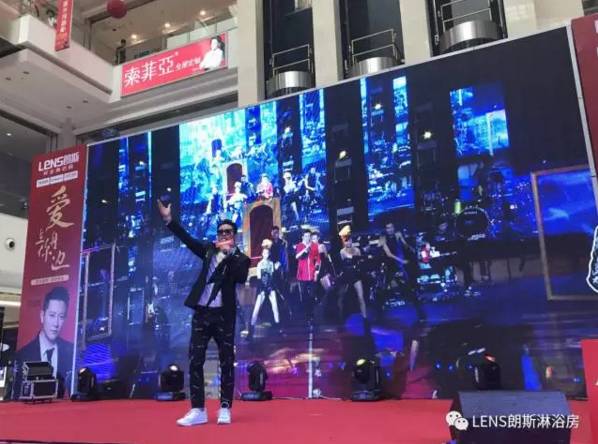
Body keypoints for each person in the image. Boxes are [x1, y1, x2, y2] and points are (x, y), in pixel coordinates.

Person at [157, 199, 250, 426]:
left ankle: (225, 407)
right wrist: (169, 221)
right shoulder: (208, 250)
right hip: (202, 314)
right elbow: (188, 239)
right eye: (221, 232)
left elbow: (240, 277)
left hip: (224, 317)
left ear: (234, 236)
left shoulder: (241, 259)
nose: (223, 235)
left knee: (226, 361)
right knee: (195, 360)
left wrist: (229, 255)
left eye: (228, 232)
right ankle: (198, 409)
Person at [15, 287, 74, 398]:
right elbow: (15, 395)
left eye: (61, 317)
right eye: (52, 315)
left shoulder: (72, 352)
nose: (56, 323)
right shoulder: (23, 355)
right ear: (42, 316)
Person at [249, 241, 281, 336]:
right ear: (262, 254)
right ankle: (251, 331)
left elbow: (272, 276)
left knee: (275, 307)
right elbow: (259, 278)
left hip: (270, 287)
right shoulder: (260, 264)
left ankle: (278, 328)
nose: (266, 254)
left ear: (269, 254)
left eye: (267, 253)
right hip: (262, 288)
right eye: (264, 253)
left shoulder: (271, 263)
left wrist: (275, 268)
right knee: (256, 309)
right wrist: (262, 290)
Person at [338, 227, 367, 320]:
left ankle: (365, 318)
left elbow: (361, 262)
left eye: (349, 241)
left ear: (351, 241)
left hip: (355, 275)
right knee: (341, 297)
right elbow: (348, 258)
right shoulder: (342, 251)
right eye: (346, 241)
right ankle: (341, 317)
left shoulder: (357, 250)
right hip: (346, 275)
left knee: (361, 297)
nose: (348, 243)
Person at [295, 230, 320, 324]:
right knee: (304, 296)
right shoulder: (299, 245)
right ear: (302, 237)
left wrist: (316, 271)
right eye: (306, 236)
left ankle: (311, 314)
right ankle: (306, 315)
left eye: (309, 236)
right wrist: (305, 250)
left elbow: (317, 259)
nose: (307, 238)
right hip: (302, 275)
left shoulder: (314, 245)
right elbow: (297, 257)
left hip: (312, 275)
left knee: (312, 295)